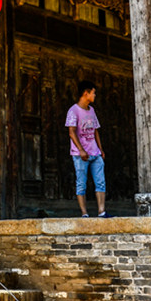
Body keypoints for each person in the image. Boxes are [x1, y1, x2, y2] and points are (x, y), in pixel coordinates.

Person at [65, 80, 108, 218]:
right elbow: (71, 132)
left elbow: (96, 131)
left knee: (100, 182)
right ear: (86, 93)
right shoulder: (73, 111)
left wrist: (100, 149)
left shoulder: (92, 111)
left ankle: (102, 211)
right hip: (80, 154)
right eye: (93, 93)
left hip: (95, 152)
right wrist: (81, 150)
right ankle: (84, 213)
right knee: (81, 183)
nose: (95, 95)